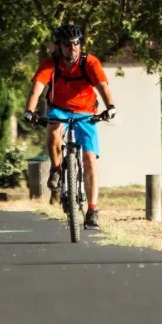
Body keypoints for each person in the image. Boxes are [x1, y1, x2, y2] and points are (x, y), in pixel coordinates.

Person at [24, 24, 116, 230]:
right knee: (54, 129)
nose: (72, 48)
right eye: (67, 45)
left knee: (90, 159)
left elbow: (103, 86)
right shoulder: (51, 64)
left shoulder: (89, 63)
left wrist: (110, 107)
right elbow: (37, 89)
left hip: (87, 112)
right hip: (59, 110)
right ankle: (56, 169)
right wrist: (29, 111)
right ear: (59, 47)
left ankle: (92, 210)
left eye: (76, 43)